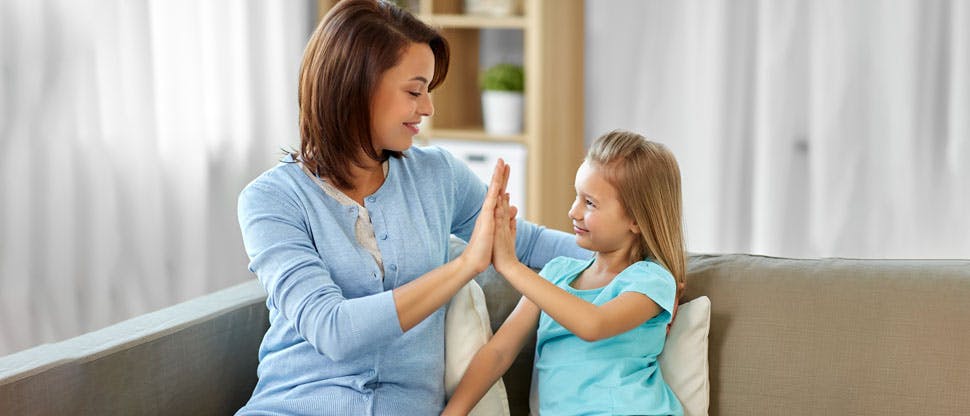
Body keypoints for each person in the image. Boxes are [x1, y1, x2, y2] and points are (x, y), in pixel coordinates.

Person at [234, 1, 589, 414]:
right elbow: (331, 329)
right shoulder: (271, 200)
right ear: (356, 88)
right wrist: (463, 267)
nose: (428, 108)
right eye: (414, 91)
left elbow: (529, 244)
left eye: (429, 92)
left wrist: (649, 266)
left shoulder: (437, 176)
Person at [443, 130, 687, 416]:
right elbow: (499, 352)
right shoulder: (556, 273)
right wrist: (453, 412)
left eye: (590, 203)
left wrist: (511, 266)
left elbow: (593, 325)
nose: (573, 212)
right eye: (577, 197)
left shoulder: (651, 280)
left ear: (635, 219)